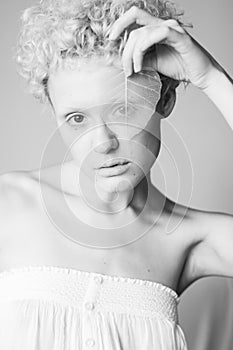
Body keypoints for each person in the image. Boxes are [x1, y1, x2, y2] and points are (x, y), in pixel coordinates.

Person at [0, 0, 232, 349]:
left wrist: (211, 77)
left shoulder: (191, 239)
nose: (102, 143)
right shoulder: (9, 203)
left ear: (164, 99)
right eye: (77, 118)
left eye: (123, 109)